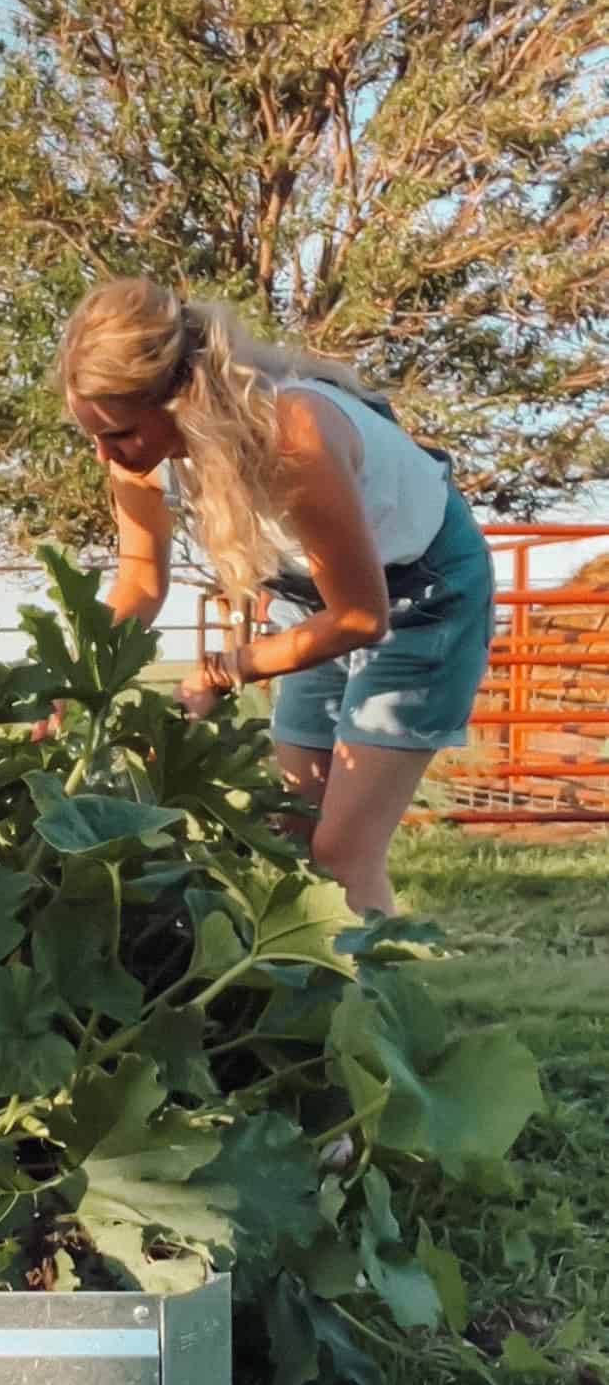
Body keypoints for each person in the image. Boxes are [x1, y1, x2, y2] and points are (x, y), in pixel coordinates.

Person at [55, 277, 495, 914]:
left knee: (343, 853)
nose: (105, 453)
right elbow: (142, 582)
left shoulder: (294, 432)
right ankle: (304, 1011)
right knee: (287, 832)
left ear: (180, 400)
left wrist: (225, 670)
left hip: (424, 598)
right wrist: (73, 675)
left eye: (118, 433)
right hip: (315, 602)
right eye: (91, 433)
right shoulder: (134, 459)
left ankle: (379, 1013)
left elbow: (360, 616)